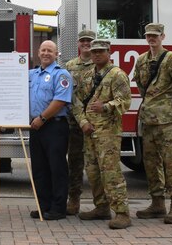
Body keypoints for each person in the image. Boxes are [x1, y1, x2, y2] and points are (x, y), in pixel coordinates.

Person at [131, 23, 172, 224]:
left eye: (155, 35)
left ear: (163, 36)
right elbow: (140, 86)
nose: (151, 39)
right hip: (148, 120)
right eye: (148, 35)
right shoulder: (141, 60)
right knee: (151, 163)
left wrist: (171, 105)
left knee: (171, 163)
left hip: (167, 121)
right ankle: (157, 203)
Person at [72, 39, 132, 229]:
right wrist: (82, 122)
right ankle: (101, 207)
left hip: (108, 133)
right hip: (89, 131)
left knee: (111, 172)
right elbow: (77, 102)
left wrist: (106, 107)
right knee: (93, 172)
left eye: (101, 51)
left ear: (109, 52)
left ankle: (122, 212)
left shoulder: (117, 75)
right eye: (94, 51)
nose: (96, 54)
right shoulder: (87, 75)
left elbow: (125, 101)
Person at [28, 40, 72, 220]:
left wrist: (42, 118)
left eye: (50, 51)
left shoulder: (62, 75)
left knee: (57, 168)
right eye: (43, 50)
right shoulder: (31, 74)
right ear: (38, 52)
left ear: (56, 54)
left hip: (55, 126)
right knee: (39, 169)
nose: (46, 53)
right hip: (35, 127)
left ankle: (58, 208)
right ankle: (43, 205)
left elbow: (60, 101)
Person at [64, 29, 96, 215]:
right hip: (75, 124)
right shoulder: (69, 66)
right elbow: (68, 94)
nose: (86, 44)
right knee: (74, 163)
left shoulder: (100, 64)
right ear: (78, 44)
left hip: (96, 123)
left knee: (97, 164)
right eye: (83, 41)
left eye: (89, 41)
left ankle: (101, 202)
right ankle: (73, 199)